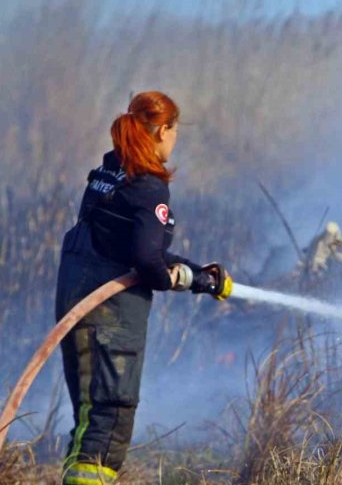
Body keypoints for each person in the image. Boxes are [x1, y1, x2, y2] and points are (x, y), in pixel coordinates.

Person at [55, 91, 231, 484]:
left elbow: (128, 244)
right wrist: (173, 277)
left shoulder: (110, 171)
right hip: (110, 314)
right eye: (175, 131)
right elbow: (147, 261)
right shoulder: (150, 187)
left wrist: (196, 274)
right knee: (111, 414)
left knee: (90, 416)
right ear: (163, 129)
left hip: (78, 301)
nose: (175, 139)